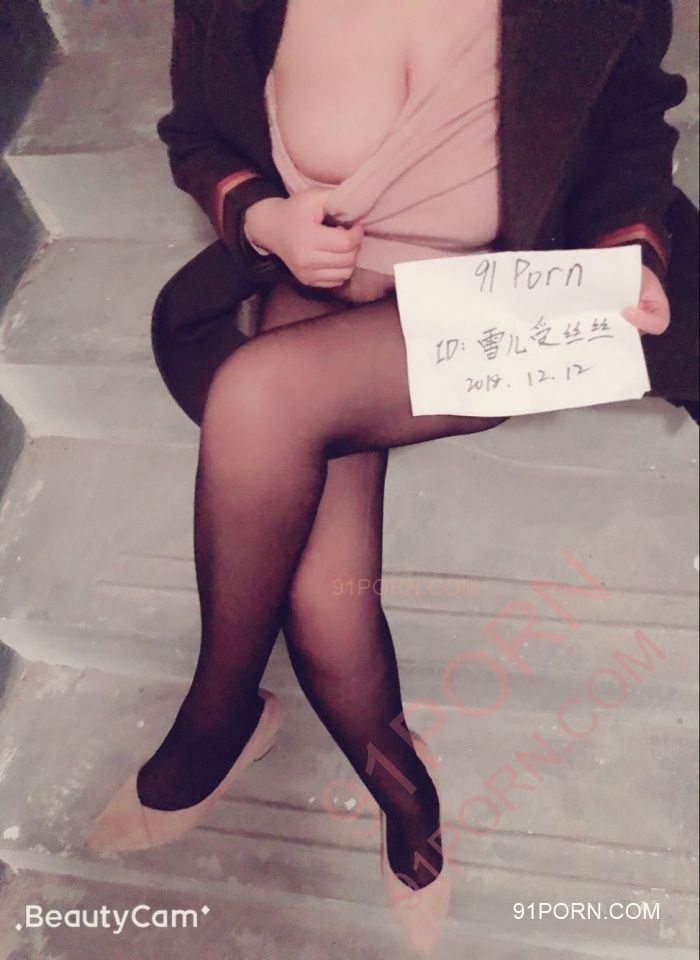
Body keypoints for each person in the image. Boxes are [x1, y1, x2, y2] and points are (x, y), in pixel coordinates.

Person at [86, 0, 698, 954]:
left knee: (257, 397)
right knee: (321, 600)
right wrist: (265, 220)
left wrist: (626, 252)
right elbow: (195, 134)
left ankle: (218, 720)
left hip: (488, 307)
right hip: (322, 282)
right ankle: (406, 798)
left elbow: (629, 126)